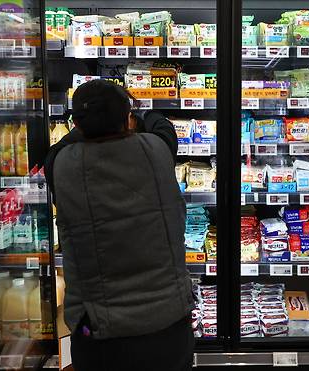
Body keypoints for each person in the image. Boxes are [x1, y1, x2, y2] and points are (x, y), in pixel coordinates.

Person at [44, 80, 194, 371]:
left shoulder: (62, 166)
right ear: (127, 118)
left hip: (100, 334)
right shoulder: (156, 150)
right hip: (168, 326)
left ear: (77, 123)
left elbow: (61, 146)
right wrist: (142, 112)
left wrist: (88, 124)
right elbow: (163, 127)